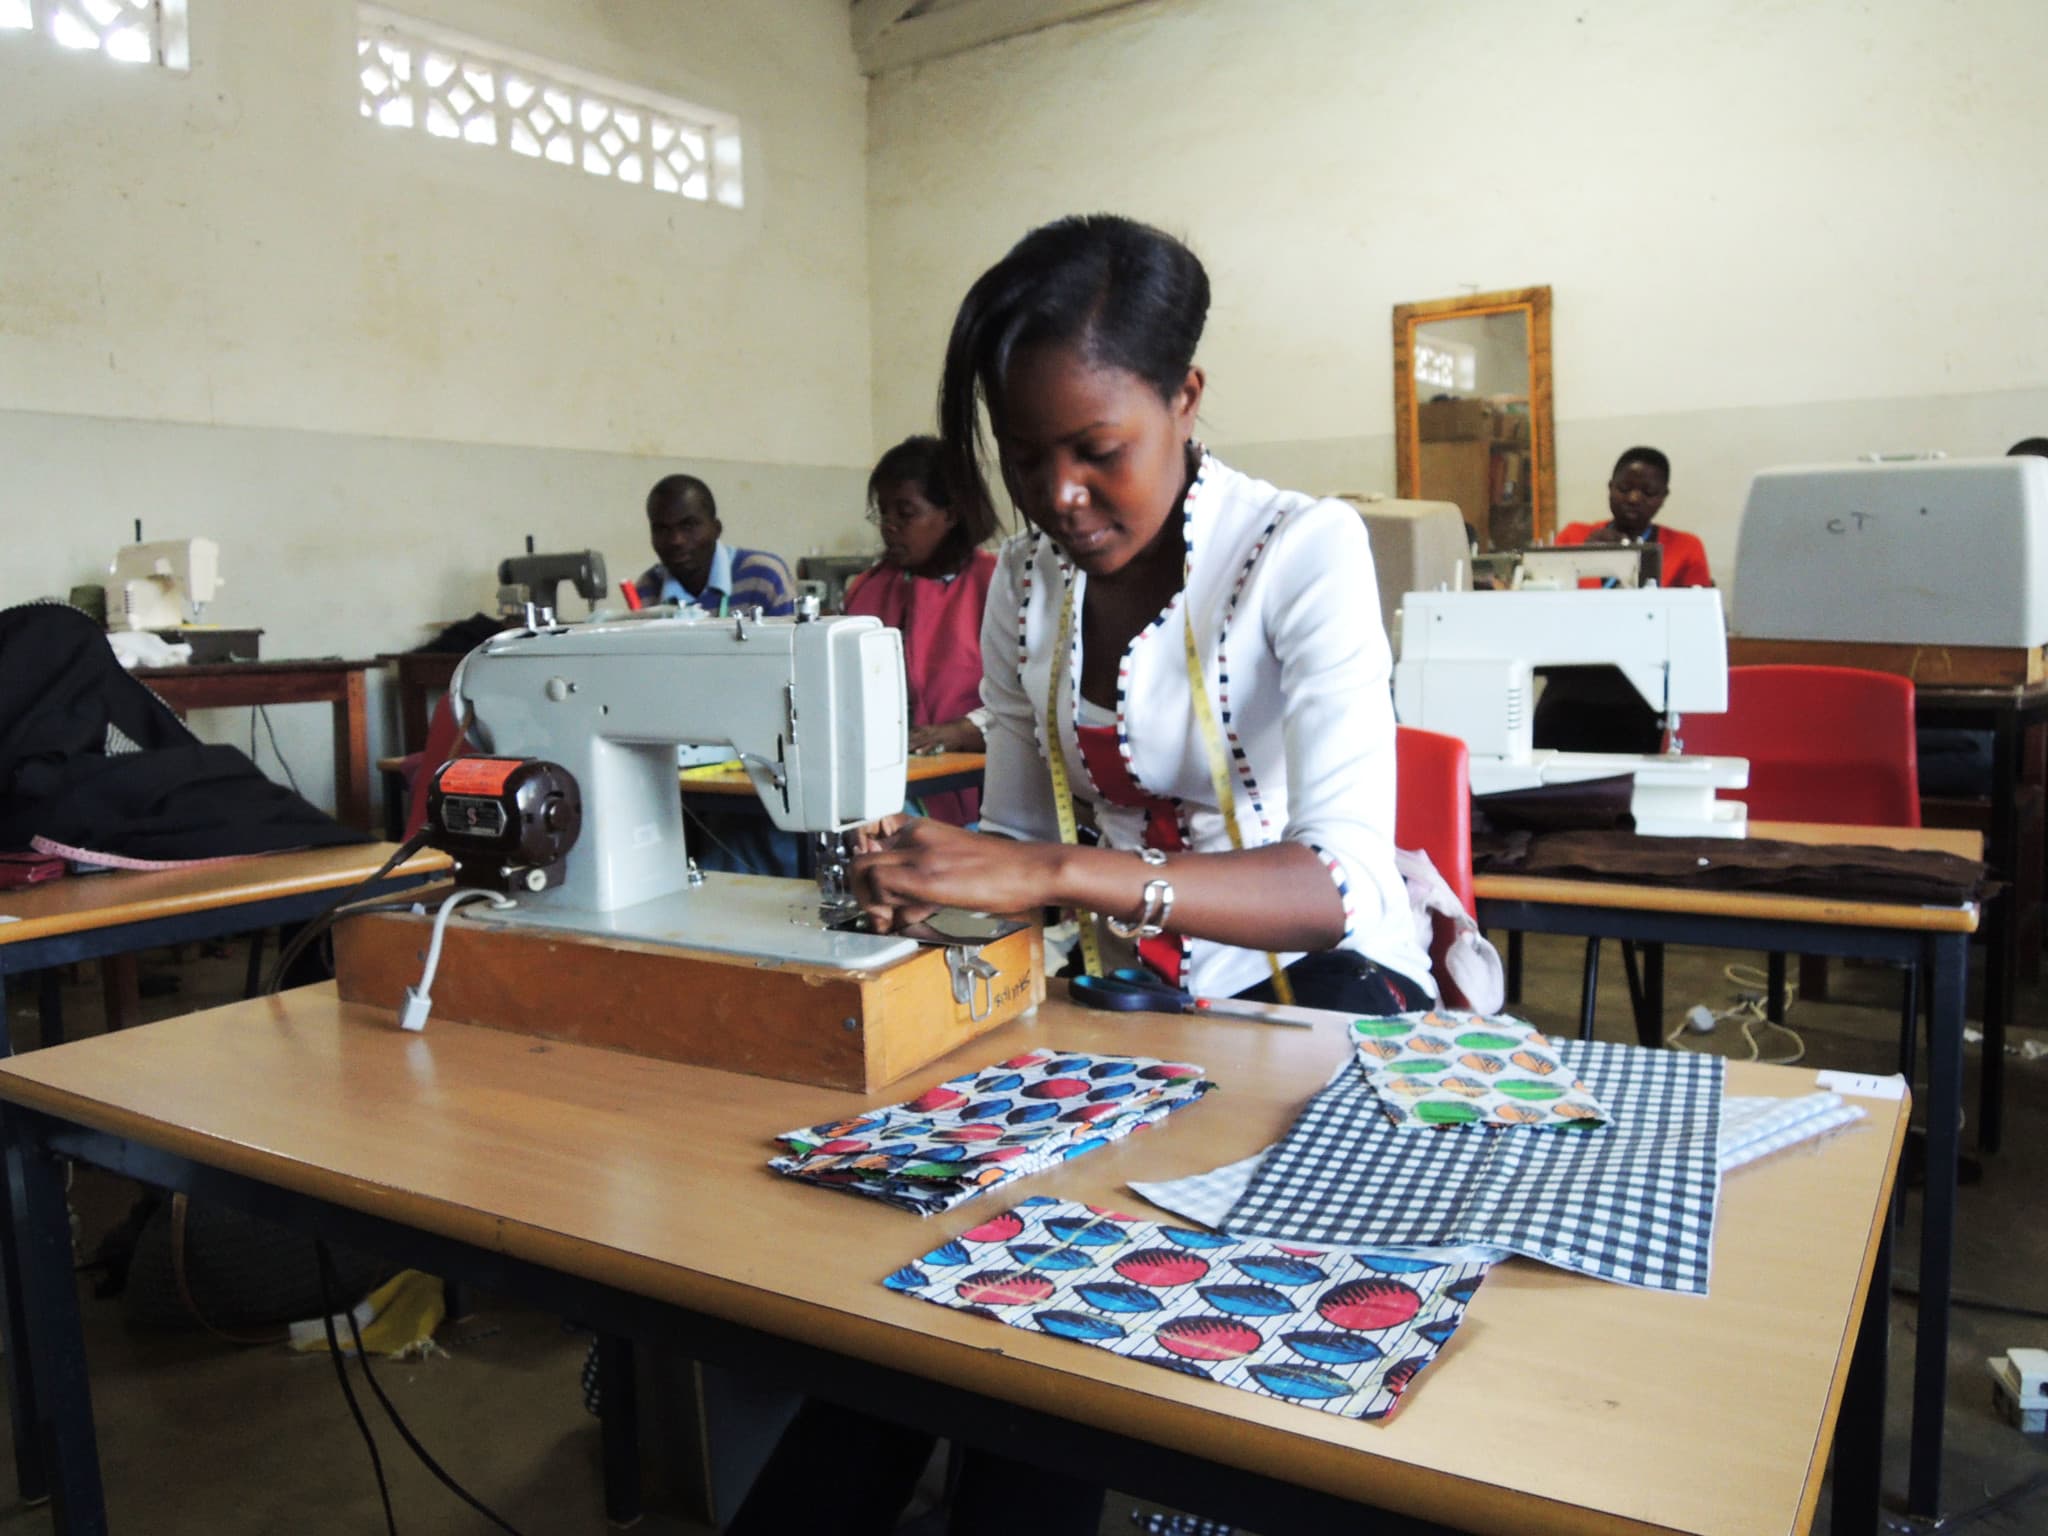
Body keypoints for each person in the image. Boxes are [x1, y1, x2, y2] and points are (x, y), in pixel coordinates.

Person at [726, 214, 1434, 1536]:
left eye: (1097, 450)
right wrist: (927, 887)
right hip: (1130, 995)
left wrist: (1047, 869)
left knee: (1053, 1293)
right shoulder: (1028, 583)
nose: (1060, 495)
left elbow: (1335, 878)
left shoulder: (1302, 548)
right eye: (1025, 457)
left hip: (1321, 995)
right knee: (914, 1278)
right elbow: (1004, 836)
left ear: (1185, 400)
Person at [844, 435, 999, 824]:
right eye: (883, 513)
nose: (889, 527)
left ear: (951, 514)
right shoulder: (867, 590)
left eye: (905, 513)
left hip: (983, 795)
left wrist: (959, 732)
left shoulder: (995, 586)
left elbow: (1028, 705)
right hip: (885, 788)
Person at [631, 473, 796, 616]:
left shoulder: (763, 578)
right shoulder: (647, 591)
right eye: (662, 529)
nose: (676, 540)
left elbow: (795, 649)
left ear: (716, 529)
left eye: (688, 525)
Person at [1553, 447, 1712, 587]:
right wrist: (1580, 557)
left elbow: (1697, 613)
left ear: (1663, 496)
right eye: (1624, 488)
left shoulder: (1687, 547)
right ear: (1610, 488)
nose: (1633, 499)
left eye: (1648, 492)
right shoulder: (1573, 536)